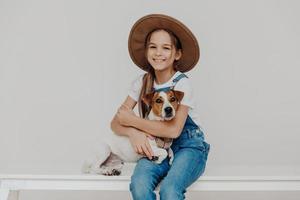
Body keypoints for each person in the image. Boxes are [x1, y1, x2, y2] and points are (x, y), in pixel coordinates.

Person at [110, 14, 210, 200]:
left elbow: (173, 130)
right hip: (156, 147)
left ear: (177, 54)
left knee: (170, 190)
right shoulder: (141, 82)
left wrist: (133, 121)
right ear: (146, 52)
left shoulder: (182, 84)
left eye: (166, 48)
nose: (158, 53)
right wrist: (133, 133)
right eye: (153, 47)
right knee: (139, 186)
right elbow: (115, 123)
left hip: (188, 147)